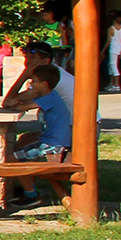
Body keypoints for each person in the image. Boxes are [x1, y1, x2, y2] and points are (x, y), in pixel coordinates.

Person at [10, 63, 73, 207]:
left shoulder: (48, 98)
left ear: (44, 84)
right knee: (18, 155)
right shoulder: (52, 96)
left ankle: (31, 195)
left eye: (34, 81)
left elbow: (21, 106)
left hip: (51, 145)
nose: (31, 84)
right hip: (51, 142)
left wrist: (16, 103)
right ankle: (29, 190)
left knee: (11, 161)